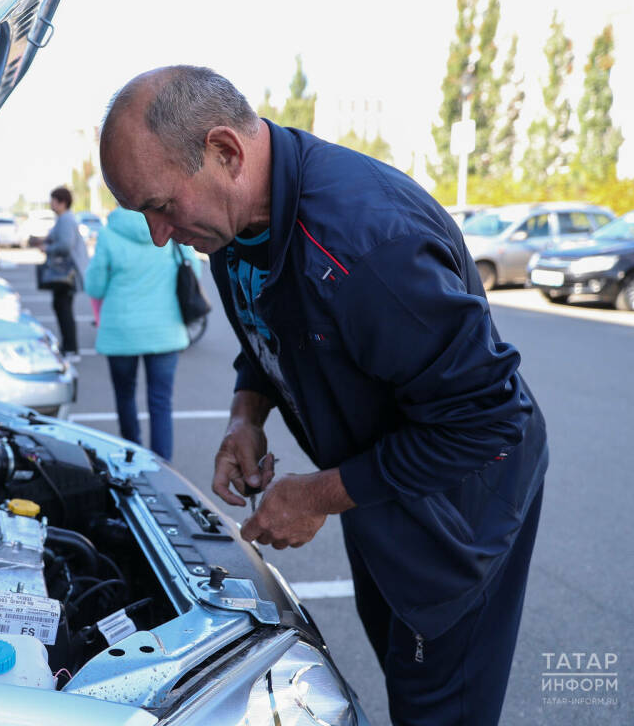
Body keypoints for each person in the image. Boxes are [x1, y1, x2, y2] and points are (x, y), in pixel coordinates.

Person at [98, 65, 547, 726]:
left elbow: (489, 419)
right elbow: (265, 332)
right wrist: (244, 416)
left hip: (458, 511)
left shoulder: (367, 250)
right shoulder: (231, 222)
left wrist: (319, 494)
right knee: (401, 667)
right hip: (381, 486)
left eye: (162, 206)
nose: (161, 234)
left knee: (434, 704)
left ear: (226, 152)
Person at [85, 208, 201, 460]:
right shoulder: (170, 228)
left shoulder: (108, 234)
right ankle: (162, 465)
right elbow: (195, 271)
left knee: (125, 396)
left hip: (121, 331)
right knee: (161, 403)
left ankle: (132, 456)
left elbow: (94, 286)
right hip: (164, 330)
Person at [42, 186, 90, 358]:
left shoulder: (65, 220)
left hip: (66, 274)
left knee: (64, 309)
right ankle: (69, 347)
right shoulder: (65, 219)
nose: (51, 204)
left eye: (53, 200)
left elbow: (65, 245)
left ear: (62, 202)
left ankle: (71, 348)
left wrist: (47, 248)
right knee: (62, 308)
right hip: (66, 274)